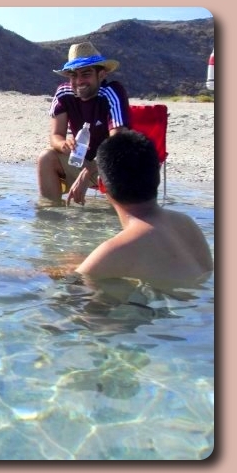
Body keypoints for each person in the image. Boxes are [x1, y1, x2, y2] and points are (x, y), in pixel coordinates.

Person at [75, 130, 213, 288]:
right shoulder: (186, 223)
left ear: (101, 185)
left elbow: (75, 293)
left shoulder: (114, 251)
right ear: (158, 176)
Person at [37, 41, 131, 206]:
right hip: (81, 161)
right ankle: (50, 218)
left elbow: (116, 145)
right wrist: (63, 144)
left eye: (86, 74)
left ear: (101, 75)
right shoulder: (64, 92)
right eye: (73, 75)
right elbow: (55, 135)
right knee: (46, 158)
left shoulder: (112, 92)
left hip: (112, 164)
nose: (79, 81)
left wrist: (88, 172)